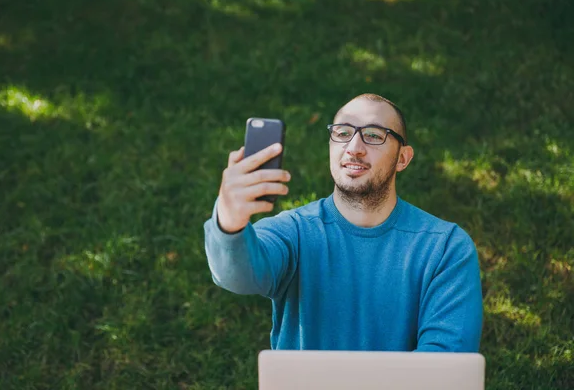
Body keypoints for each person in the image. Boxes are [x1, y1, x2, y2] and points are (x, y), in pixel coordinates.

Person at [203, 94, 483, 352]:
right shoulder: (295, 231)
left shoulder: (446, 248)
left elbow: (445, 363)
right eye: (343, 133)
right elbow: (237, 276)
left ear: (403, 158)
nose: (354, 148)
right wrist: (229, 222)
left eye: (373, 135)